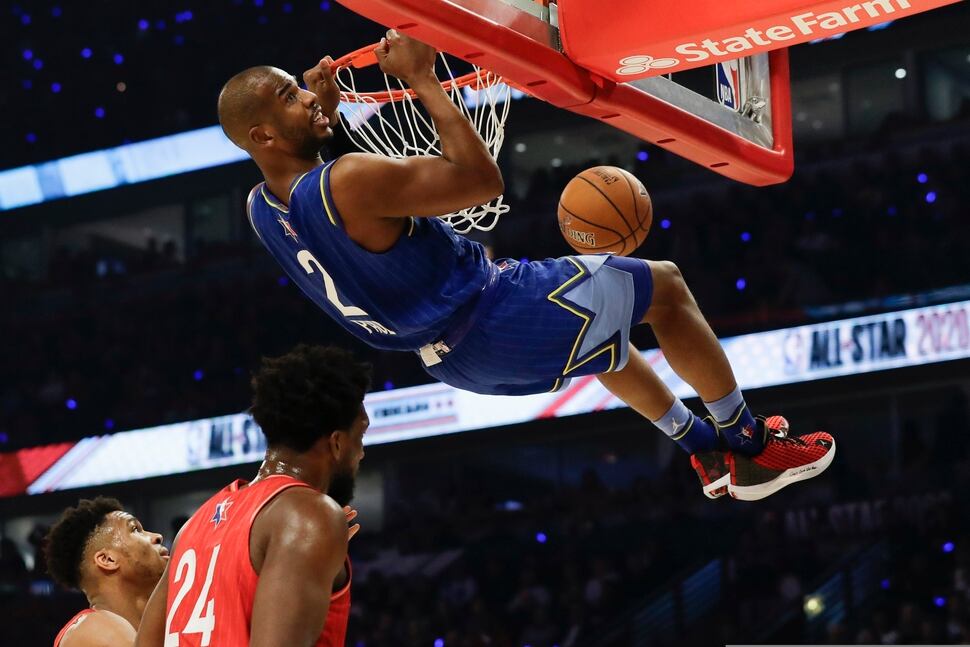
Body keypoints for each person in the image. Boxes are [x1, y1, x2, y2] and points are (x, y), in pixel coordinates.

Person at [216, 31, 834, 500]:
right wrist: (425, 80)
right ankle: (749, 444)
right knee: (666, 289)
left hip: (454, 359)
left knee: (607, 349)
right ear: (262, 135)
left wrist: (321, 117)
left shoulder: (261, 208)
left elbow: (349, 217)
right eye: (287, 97)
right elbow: (482, 182)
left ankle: (703, 448)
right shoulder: (345, 182)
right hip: (492, 314)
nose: (305, 94)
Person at [136, 344, 367, 647]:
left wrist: (308, 553)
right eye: (360, 436)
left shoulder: (194, 526)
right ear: (336, 442)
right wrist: (315, 530)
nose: (361, 452)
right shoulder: (309, 517)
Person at [44, 497, 169, 647]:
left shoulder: (164, 628)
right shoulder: (89, 629)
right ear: (108, 559)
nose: (157, 537)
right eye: (135, 529)